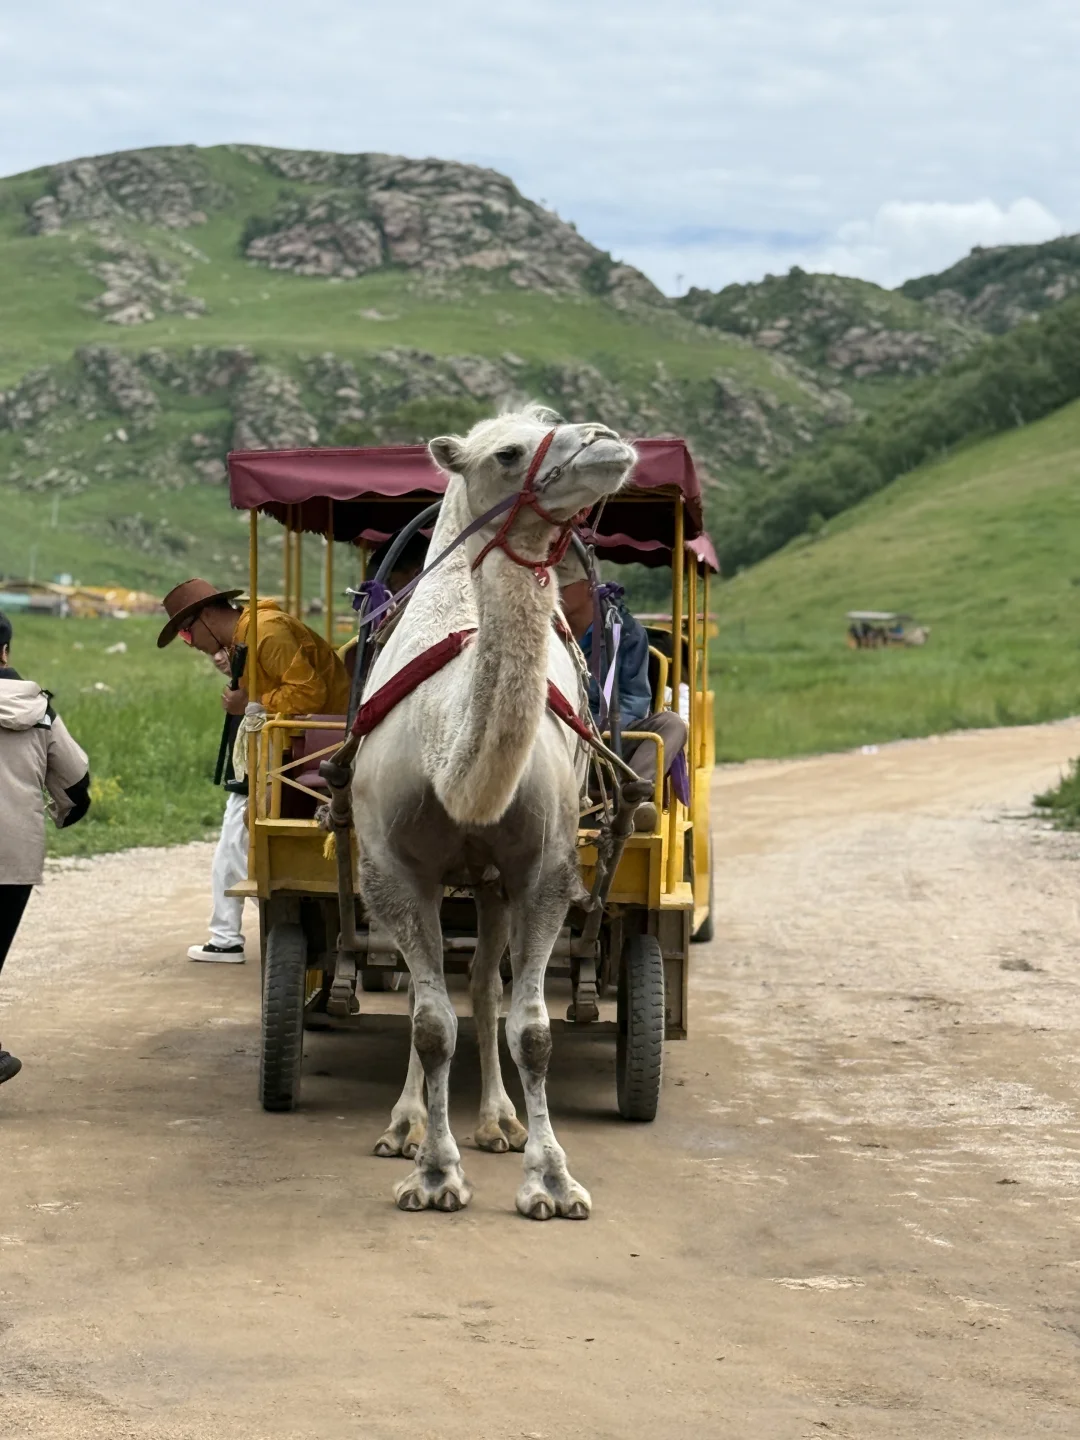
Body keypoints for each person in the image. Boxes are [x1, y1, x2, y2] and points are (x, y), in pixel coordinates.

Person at [157, 579, 351, 963]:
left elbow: (308, 694)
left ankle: (227, 936)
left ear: (209, 615)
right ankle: (227, 932)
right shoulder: (244, 637)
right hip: (292, 744)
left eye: (186, 630)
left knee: (238, 826)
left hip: (324, 744)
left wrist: (252, 700)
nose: (190, 643)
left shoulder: (266, 633)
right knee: (237, 822)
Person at [0, 610, 92, 1086]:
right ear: (5, 652)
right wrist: (63, 813)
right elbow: (76, 783)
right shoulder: (39, 712)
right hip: (13, 854)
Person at [554, 553, 688, 831]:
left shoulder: (625, 632)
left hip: (608, 740)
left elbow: (634, 700)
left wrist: (595, 731)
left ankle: (627, 805)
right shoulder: (541, 629)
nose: (553, 592)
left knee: (672, 724)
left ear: (589, 585)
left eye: (562, 585)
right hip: (556, 734)